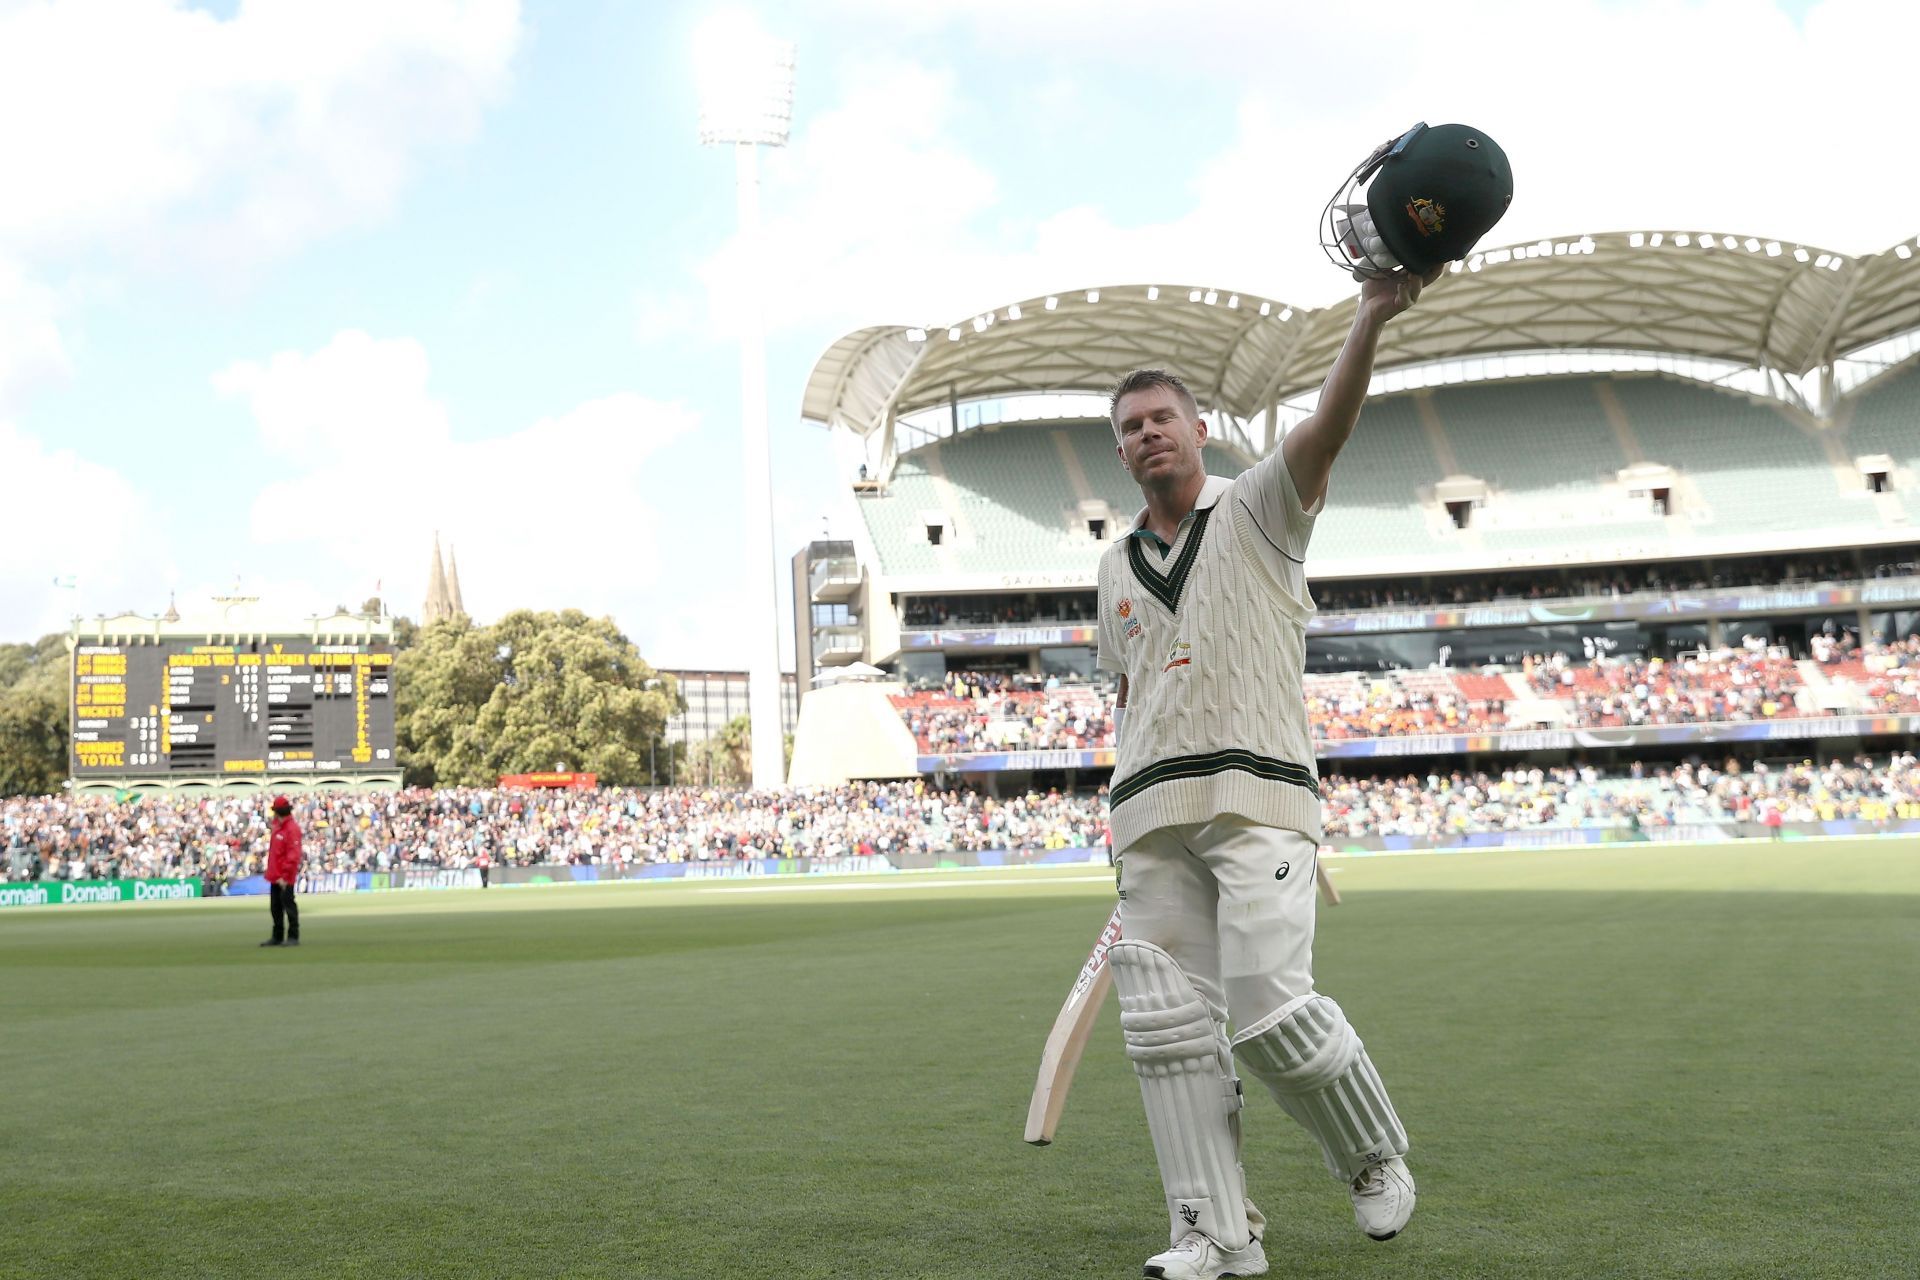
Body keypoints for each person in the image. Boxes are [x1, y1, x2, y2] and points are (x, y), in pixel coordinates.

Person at [1095, 266, 1441, 1279]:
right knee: (1170, 1033)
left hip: (1257, 795)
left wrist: (1372, 313)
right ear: (1120, 450)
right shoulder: (1114, 563)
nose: (1147, 435)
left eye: (1162, 418)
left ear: (1199, 430)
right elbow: (1130, 697)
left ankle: (1373, 1154)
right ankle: (1214, 1231)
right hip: (1150, 813)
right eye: (1130, 426)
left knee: (1270, 1008)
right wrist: (1118, 822)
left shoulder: (1258, 509)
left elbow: (1327, 427)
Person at [260, 795, 303, 947]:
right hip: (276, 876)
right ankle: (277, 936)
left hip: (285, 877)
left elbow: (293, 855)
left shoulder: (291, 829)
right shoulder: (279, 827)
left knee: (288, 905)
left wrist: (284, 876)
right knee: (276, 908)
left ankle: (293, 936)